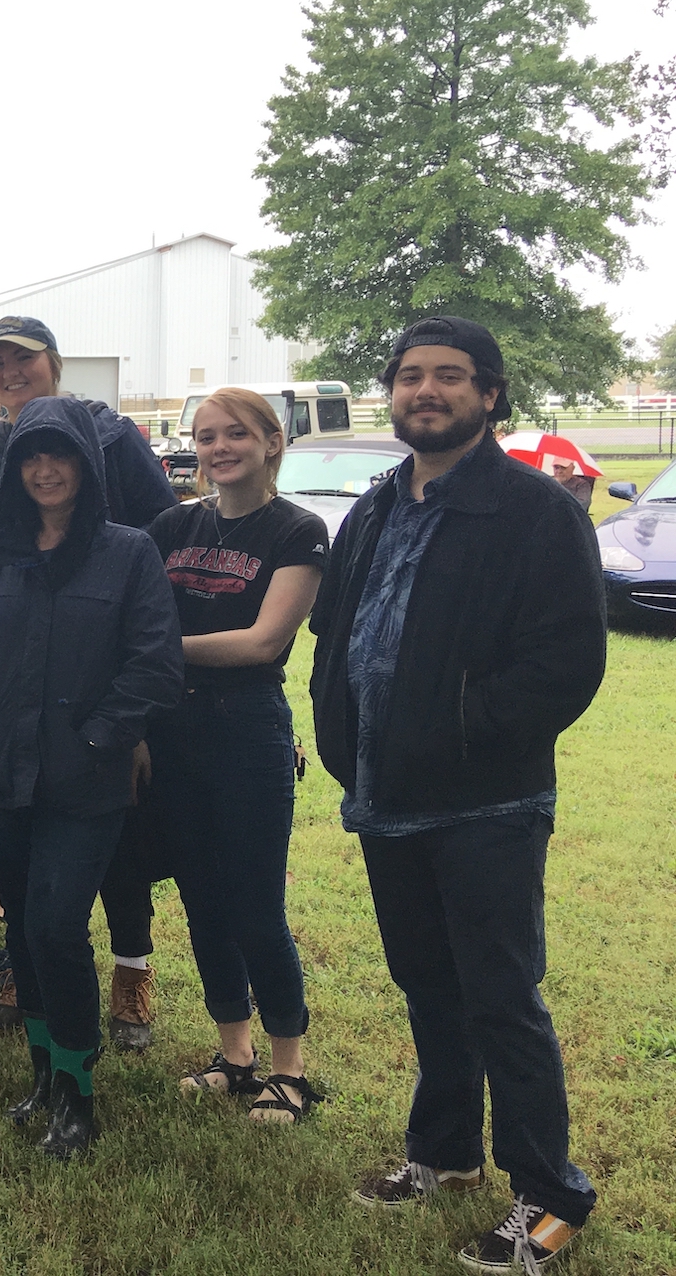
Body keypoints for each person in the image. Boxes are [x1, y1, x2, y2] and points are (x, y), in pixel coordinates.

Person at [311, 318, 604, 1273]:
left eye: (449, 377)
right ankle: (444, 1152)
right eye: (408, 377)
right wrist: (339, 731)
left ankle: (550, 1196)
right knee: (427, 985)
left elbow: (567, 662)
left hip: (486, 804)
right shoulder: (375, 506)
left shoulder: (534, 511)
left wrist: (466, 732)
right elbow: (338, 634)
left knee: (499, 996)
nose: (424, 391)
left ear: (489, 395)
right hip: (385, 797)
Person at [0, 396, 183, 1161]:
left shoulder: (128, 553)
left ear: (85, 464)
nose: (46, 470)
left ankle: (78, 1097)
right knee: (27, 936)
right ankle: (44, 1075)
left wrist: (101, 739)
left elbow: (155, 664)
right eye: (32, 457)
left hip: (87, 783)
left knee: (52, 925)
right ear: (15, 470)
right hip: (3, 775)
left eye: (61, 455)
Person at [144, 388, 327, 1123]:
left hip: (247, 729)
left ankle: (290, 1070)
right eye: (206, 436)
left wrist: (155, 652)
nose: (220, 448)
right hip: (172, 732)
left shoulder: (298, 530)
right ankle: (235, 1054)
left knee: (255, 906)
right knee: (202, 902)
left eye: (236, 435)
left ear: (271, 443)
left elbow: (261, 641)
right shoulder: (170, 525)